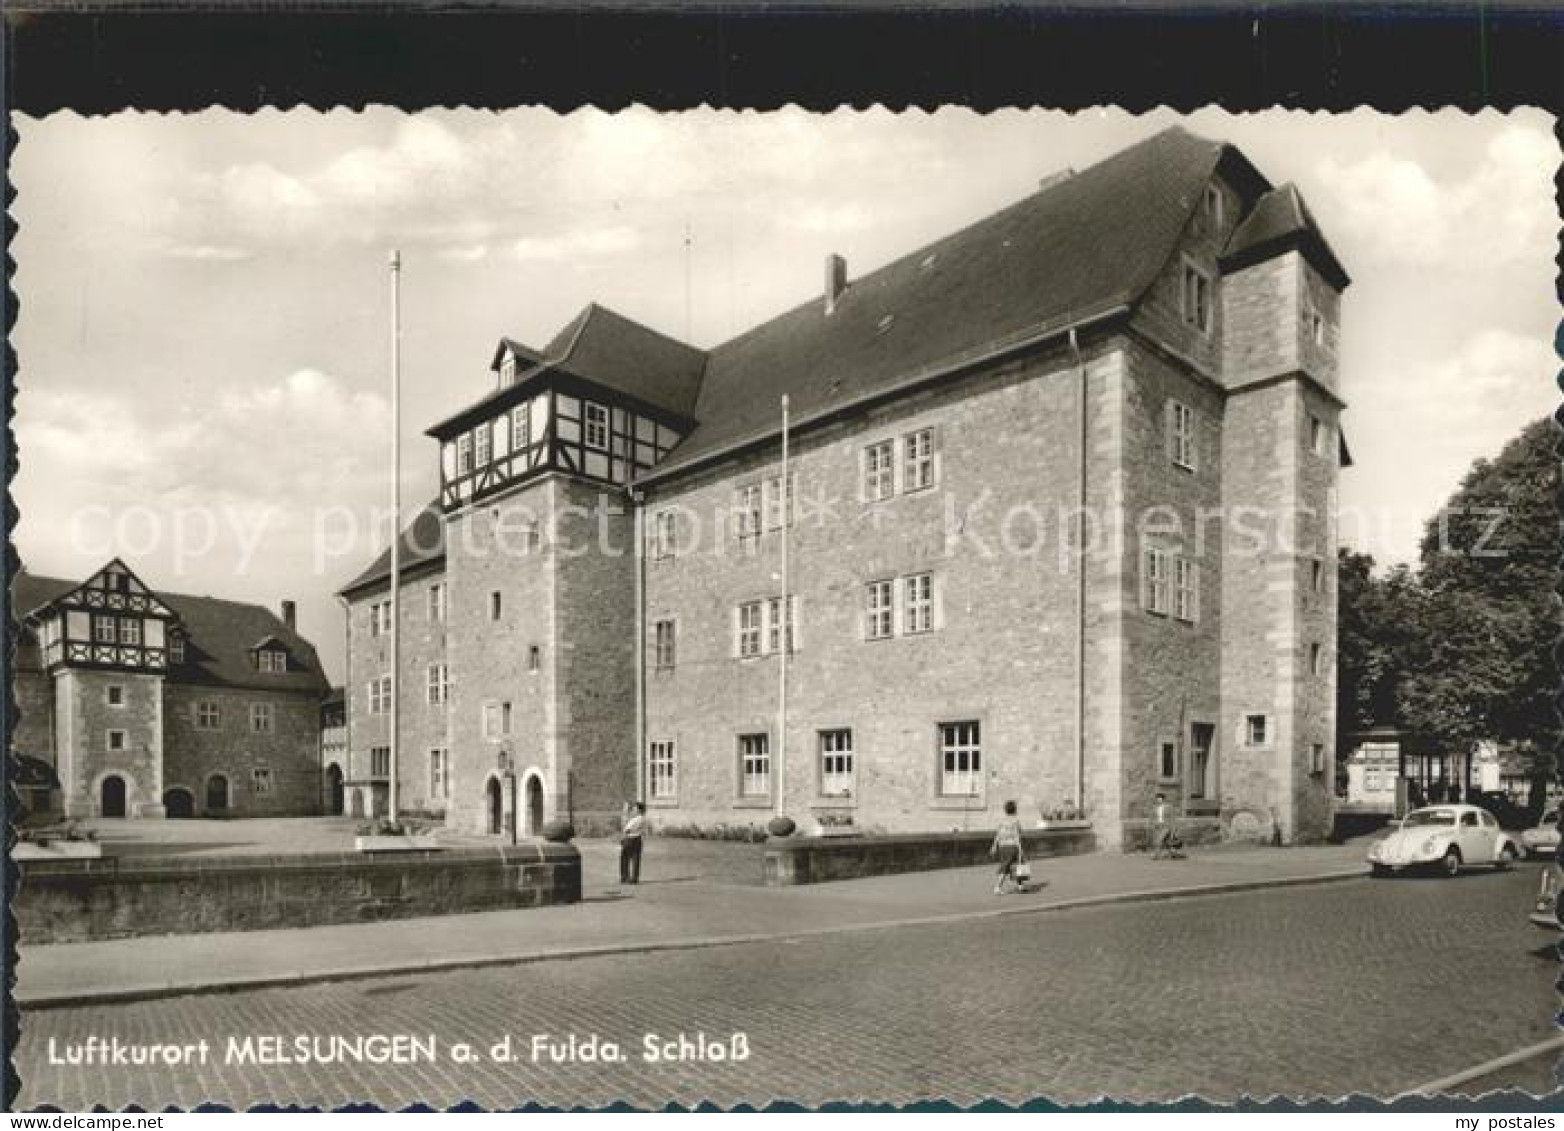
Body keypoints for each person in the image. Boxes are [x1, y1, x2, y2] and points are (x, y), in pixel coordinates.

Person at [989, 800, 1025, 895]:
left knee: (1016, 865)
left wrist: (994, 846)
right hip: (1012, 846)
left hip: (1002, 846)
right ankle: (997, 887)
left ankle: (1020, 886)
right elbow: (1017, 835)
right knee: (1010, 867)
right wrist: (1020, 849)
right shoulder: (1015, 821)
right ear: (1015, 809)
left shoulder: (1001, 821)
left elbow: (998, 834)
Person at [619, 800, 646, 886]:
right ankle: (634, 877)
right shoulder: (641, 818)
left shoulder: (636, 819)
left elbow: (626, 829)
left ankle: (625, 876)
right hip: (637, 838)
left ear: (639, 810)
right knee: (636, 859)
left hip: (630, 839)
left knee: (624, 858)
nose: (633, 810)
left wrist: (625, 814)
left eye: (635, 808)